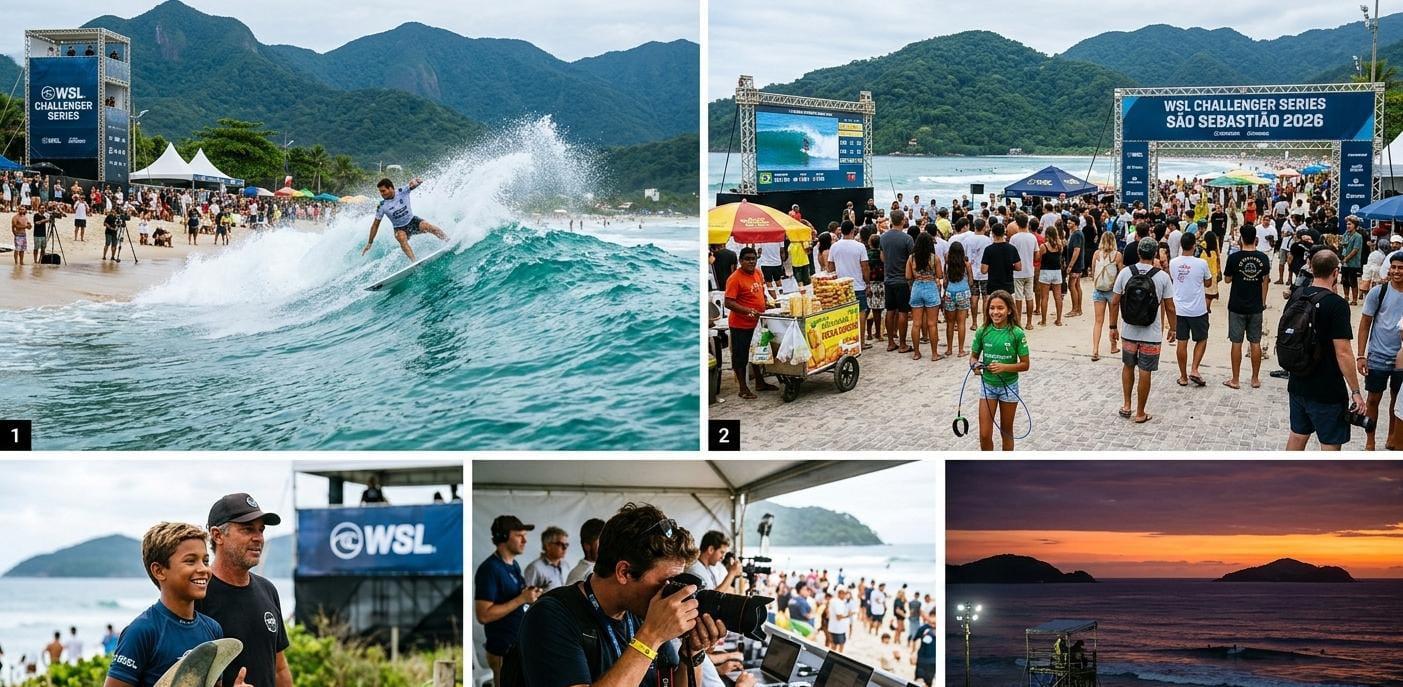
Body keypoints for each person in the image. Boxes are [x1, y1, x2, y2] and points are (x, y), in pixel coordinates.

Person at [515, 503, 727, 687]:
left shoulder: (641, 610)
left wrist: (692, 654)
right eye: (665, 582)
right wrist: (651, 636)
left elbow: (669, 681)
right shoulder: (550, 615)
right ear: (624, 572)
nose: (671, 592)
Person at [104, 522, 243, 687]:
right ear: (159, 571)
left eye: (205, 561)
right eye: (190, 561)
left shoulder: (212, 629)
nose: (203, 569)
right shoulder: (142, 631)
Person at [198, 494, 292, 687]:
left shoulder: (268, 590)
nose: (258, 538)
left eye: (261, 530)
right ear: (217, 535)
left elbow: (279, 669)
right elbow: (183, 674)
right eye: (248, 529)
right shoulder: (198, 594)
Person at [1285, 251, 1363, 450]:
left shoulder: (1297, 294)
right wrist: (1355, 391)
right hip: (1326, 388)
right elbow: (1343, 352)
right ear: (1336, 272)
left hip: (1298, 380)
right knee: (1329, 444)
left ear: (1311, 268)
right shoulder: (1337, 305)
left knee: (1297, 435)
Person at [1109, 237, 1177, 424]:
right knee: (1145, 370)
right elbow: (1170, 307)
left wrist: (1113, 326)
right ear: (1155, 254)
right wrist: (1173, 328)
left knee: (1128, 365)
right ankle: (1140, 412)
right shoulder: (1162, 277)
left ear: (1138, 252)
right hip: (1151, 333)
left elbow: (1115, 302)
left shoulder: (1125, 273)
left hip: (1129, 330)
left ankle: (1126, 404)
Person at [474, 515, 541, 687]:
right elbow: (483, 615)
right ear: (503, 537)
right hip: (502, 651)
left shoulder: (513, 565)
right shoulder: (489, 569)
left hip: (517, 647)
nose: (525, 540)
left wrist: (530, 595)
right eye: (519, 535)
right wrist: (521, 599)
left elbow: (515, 598)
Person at [971, 290, 1030, 451]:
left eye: (1000, 308)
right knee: (984, 434)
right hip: (988, 386)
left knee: (1006, 432)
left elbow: (1025, 365)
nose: (995, 312)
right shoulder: (983, 331)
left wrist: (1004, 367)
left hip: (1009, 388)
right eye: (992, 308)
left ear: (1009, 310)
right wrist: (974, 366)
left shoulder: (1017, 333)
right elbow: (973, 357)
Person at [1357, 252, 1403, 450]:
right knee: (1373, 399)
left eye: (1400, 267)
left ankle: (1393, 439)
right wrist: (1361, 355)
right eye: (1393, 267)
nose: (1396, 271)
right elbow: (1365, 323)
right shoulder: (1379, 292)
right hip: (1378, 355)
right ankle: (1370, 442)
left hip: (1402, 357)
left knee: (1397, 401)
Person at [1223, 224, 1271, 390]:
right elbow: (1265, 281)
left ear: (1241, 238)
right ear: (1255, 238)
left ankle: (1235, 379)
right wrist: (1263, 301)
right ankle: (1255, 378)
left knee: (1236, 342)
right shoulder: (1263, 258)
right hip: (1256, 305)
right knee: (1255, 342)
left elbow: (1227, 280)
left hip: (1237, 305)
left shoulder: (1234, 258)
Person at [723, 246, 775, 400]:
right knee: (741, 357)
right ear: (740, 261)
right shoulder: (734, 278)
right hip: (740, 324)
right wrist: (747, 311)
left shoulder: (758, 273)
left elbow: (761, 291)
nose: (751, 262)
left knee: (757, 353)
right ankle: (743, 388)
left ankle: (760, 382)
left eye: (753, 259)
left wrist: (767, 302)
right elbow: (728, 302)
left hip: (757, 323)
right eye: (747, 259)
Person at [361, 177, 449, 262]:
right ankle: (415, 262)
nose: (382, 194)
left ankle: (448, 241)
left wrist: (417, 181)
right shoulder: (382, 206)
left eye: (383, 191)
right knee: (401, 237)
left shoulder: (402, 191)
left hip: (412, 221)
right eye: (380, 192)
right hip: (399, 228)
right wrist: (370, 243)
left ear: (391, 188)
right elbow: (375, 225)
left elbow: (412, 184)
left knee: (429, 226)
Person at [1168, 232, 1213, 388]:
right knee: (1202, 338)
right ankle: (1194, 368)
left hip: (1179, 307)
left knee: (1182, 341)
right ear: (1194, 245)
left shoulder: (1173, 263)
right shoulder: (1201, 263)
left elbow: (1174, 279)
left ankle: (1183, 376)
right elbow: (1208, 283)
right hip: (1198, 309)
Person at [831, 221, 872, 345]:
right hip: (858, 285)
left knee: (843, 315)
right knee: (861, 314)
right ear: (853, 231)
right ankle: (861, 342)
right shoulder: (860, 247)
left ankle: (845, 341)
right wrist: (868, 283)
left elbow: (830, 266)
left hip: (841, 286)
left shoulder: (834, 246)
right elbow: (865, 267)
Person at [881, 210, 915, 353]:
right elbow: (912, 259)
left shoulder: (883, 237)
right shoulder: (907, 239)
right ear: (902, 221)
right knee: (903, 312)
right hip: (902, 280)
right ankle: (902, 344)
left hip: (888, 279)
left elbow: (882, 257)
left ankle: (890, 342)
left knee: (890, 310)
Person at [906, 232, 943, 360]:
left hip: (917, 288)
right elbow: (940, 275)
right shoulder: (934, 258)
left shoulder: (911, 258)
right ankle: (934, 354)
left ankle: (916, 353)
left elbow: (908, 276)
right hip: (931, 287)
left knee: (916, 324)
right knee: (932, 324)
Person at [1090, 232, 1123, 362]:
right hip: (1112, 290)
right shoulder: (1118, 255)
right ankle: (1113, 346)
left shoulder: (1096, 254)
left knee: (1098, 321)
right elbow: (1121, 274)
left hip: (1099, 290)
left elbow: (1093, 272)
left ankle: (1095, 349)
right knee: (1112, 321)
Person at [1009, 215, 1039, 327]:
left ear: (1017, 224)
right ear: (1027, 223)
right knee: (1029, 297)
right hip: (1029, 270)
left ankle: (1018, 322)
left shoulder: (1014, 238)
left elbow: (1010, 255)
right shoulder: (1032, 237)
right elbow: (1037, 255)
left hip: (1017, 272)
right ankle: (1029, 322)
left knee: (1018, 298)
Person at [943, 241, 972, 357]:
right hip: (963, 293)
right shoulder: (966, 264)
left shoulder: (947, 264)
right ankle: (961, 350)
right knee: (961, 323)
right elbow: (970, 280)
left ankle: (949, 349)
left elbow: (945, 282)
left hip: (950, 293)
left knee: (950, 323)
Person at [981, 221, 1022, 299]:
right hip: (1008, 285)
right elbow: (1019, 267)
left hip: (993, 285)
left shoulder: (988, 249)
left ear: (992, 234)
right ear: (1004, 233)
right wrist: (1010, 266)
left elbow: (983, 270)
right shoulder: (1011, 248)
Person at [524, 526, 571, 592]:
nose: (565, 548)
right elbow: (527, 598)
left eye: (566, 544)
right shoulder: (534, 568)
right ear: (548, 546)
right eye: (560, 544)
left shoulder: (565, 565)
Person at [1036, 224, 1065, 327]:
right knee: (1058, 297)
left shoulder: (1043, 246)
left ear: (1047, 234)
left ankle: (1043, 321)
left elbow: (1038, 258)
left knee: (1044, 297)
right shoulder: (1059, 245)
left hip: (1045, 271)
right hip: (1057, 272)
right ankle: (1059, 320)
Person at [566, 518, 607, 585]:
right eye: (601, 543)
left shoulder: (602, 566)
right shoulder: (579, 575)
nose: (605, 547)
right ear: (587, 546)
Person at [1341, 217, 1365, 305]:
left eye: (1350, 224)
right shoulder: (1345, 234)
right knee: (1344, 279)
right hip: (1344, 261)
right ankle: (1346, 296)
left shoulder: (1358, 236)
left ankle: (1354, 299)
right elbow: (1342, 244)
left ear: (1355, 226)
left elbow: (1355, 250)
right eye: (1347, 224)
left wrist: (1346, 259)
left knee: (1353, 280)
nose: (1348, 226)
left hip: (1353, 262)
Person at [911, 611, 938, 687]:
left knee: (928, 682)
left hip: (933, 661)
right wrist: (913, 653)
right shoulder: (923, 628)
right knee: (918, 680)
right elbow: (915, 640)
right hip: (922, 659)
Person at [826, 587, 852, 651]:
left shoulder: (835, 601)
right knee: (836, 646)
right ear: (839, 593)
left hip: (836, 628)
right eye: (843, 593)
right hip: (837, 629)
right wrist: (848, 615)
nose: (845, 595)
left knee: (836, 646)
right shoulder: (837, 602)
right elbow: (839, 617)